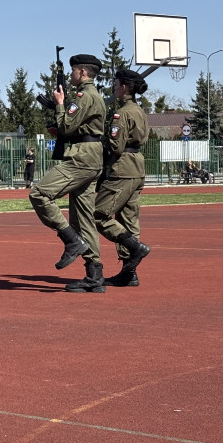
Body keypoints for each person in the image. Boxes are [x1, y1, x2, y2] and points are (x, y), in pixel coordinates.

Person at [28, 53, 107, 293]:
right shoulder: (95, 96)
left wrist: (60, 104)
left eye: (74, 70)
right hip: (91, 155)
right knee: (84, 218)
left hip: (81, 158)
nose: (72, 74)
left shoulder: (83, 97)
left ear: (82, 72)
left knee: (39, 193)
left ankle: (71, 240)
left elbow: (66, 125)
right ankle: (95, 275)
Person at [96, 70, 152, 287]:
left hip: (123, 168)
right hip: (137, 166)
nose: (114, 87)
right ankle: (129, 272)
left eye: (117, 83)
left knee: (97, 215)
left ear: (125, 86)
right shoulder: (139, 111)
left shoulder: (122, 113)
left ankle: (136, 249)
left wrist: (101, 140)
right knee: (128, 219)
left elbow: (115, 145)